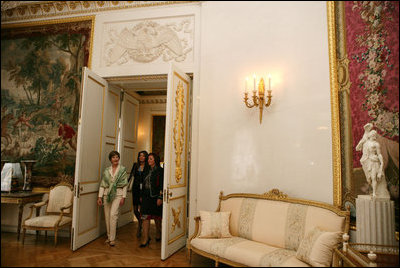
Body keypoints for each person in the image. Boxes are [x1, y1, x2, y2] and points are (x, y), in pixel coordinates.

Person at [97, 151, 128, 246]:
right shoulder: (107, 170)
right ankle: (109, 236)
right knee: (107, 216)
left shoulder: (122, 170)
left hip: (118, 195)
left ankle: (112, 239)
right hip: (107, 195)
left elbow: (125, 184)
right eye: (114, 157)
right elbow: (103, 184)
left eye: (117, 157)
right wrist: (100, 197)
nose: (116, 159)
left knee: (113, 215)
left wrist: (123, 196)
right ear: (110, 159)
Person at [139, 152, 164, 247]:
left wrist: (160, 197)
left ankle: (158, 233)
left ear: (155, 160)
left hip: (155, 197)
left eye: (150, 158)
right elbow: (142, 183)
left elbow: (162, 185)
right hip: (146, 197)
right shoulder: (145, 170)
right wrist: (141, 196)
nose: (148, 160)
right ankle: (145, 239)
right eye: (148, 158)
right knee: (145, 217)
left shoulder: (160, 171)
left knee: (157, 217)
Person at [359, 130, 390, 198]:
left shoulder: (376, 144)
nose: (374, 136)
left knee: (374, 177)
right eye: (373, 135)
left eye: (375, 135)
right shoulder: (366, 143)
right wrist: (361, 142)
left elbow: (379, 154)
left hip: (374, 161)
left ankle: (374, 193)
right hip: (367, 161)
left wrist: (381, 162)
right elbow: (358, 148)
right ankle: (373, 190)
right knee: (369, 179)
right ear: (370, 135)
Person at [127, 150, 149, 238]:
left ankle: (142, 227)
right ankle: (140, 222)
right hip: (135, 189)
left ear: (146, 157)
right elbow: (131, 176)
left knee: (142, 209)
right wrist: (125, 185)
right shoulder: (136, 165)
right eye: (140, 155)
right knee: (135, 209)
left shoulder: (148, 166)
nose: (141, 157)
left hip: (144, 190)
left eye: (143, 156)